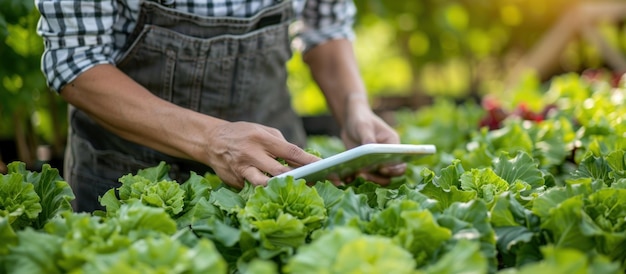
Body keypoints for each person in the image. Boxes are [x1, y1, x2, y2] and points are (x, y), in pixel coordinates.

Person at [35, 0, 405, 212]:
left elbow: (326, 26)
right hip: (128, 175)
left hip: (276, 173)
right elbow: (77, 62)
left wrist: (354, 109)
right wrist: (214, 138)